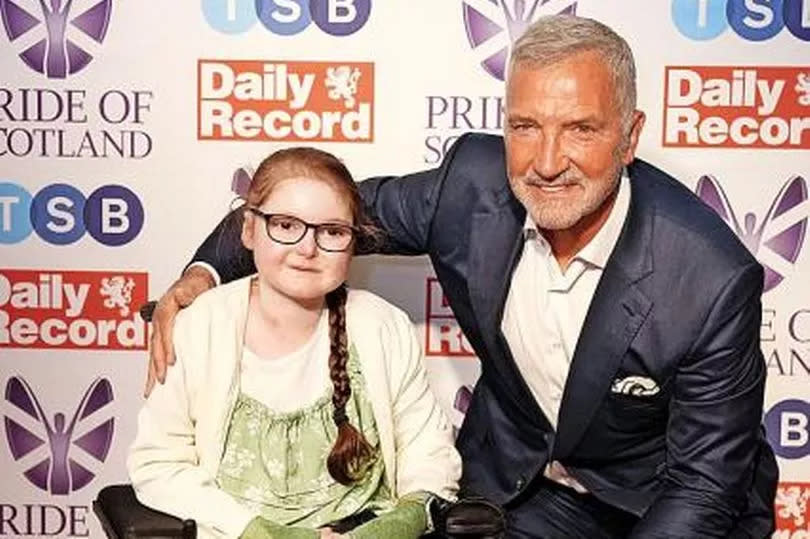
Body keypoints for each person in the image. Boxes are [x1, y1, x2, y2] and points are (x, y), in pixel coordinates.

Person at [147, 15, 778, 538]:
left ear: (630, 136)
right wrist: (202, 274)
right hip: (520, 487)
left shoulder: (709, 277)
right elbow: (315, 210)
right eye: (525, 127)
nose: (548, 162)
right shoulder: (470, 187)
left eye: (580, 129)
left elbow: (700, 488)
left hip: (661, 503)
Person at [127, 147, 461, 539]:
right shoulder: (200, 326)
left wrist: (403, 519)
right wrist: (255, 530)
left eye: (332, 232)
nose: (307, 249)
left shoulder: (384, 326)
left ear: (354, 243)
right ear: (249, 230)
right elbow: (158, 464)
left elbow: (428, 450)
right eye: (285, 225)